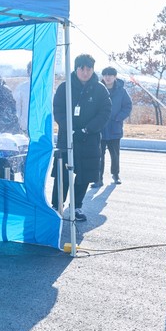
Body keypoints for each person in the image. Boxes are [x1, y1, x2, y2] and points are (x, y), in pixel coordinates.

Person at [51, 54, 112, 222]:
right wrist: (70, 128)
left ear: (93, 69)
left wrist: (87, 129)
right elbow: (58, 110)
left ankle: (76, 206)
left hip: (89, 138)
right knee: (62, 173)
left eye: (89, 69)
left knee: (84, 174)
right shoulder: (65, 87)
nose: (85, 72)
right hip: (67, 137)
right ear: (76, 69)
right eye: (82, 68)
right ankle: (56, 206)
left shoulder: (99, 89)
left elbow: (105, 112)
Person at [94, 66, 132, 187]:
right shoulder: (97, 89)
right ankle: (98, 178)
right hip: (100, 128)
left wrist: (118, 118)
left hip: (114, 128)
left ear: (115, 77)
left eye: (110, 75)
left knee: (115, 155)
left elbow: (128, 106)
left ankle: (115, 174)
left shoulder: (121, 91)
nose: (107, 77)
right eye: (105, 75)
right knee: (99, 155)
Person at [13, 61, 32, 134]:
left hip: (43, 130)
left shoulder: (48, 90)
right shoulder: (21, 88)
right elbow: (16, 108)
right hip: (25, 128)